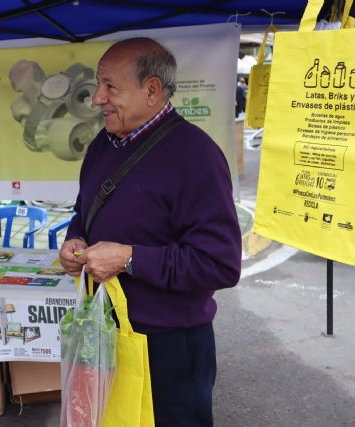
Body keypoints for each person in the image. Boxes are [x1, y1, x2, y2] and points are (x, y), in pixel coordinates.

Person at [59, 37, 241, 426]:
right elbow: (83, 213)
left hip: (170, 347)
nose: (97, 98)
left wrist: (128, 259)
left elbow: (220, 264)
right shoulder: (102, 146)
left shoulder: (196, 155)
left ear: (152, 90)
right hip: (107, 336)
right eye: (98, 84)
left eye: (111, 87)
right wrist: (76, 237)